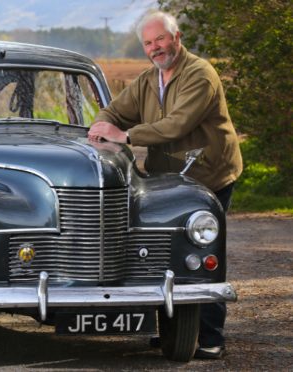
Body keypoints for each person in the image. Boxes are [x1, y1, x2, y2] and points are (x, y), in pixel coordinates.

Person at [88, 10, 242, 359]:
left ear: (177, 38)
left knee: (201, 251)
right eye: (148, 42)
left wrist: (125, 135)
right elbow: (113, 112)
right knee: (161, 251)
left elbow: (177, 125)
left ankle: (210, 336)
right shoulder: (147, 80)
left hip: (207, 176)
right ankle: (173, 332)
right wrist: (100, 127)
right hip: (166, 181)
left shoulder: (200, 74)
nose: (155, 47)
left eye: (160, 39)